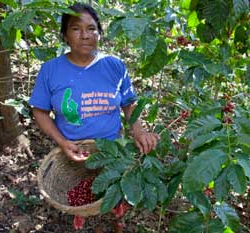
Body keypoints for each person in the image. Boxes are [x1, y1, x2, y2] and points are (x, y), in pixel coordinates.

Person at [29, 3, 160, 162]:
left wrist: (139, 131)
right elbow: (40, 112)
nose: (85, 35)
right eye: (76, 29)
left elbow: (128, 103)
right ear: (65, 35)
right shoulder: (50, 70)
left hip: (113, 151)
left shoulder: (115, 66)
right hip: (71, 150)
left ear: (99, 34)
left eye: (91, 28)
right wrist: (62, 142)